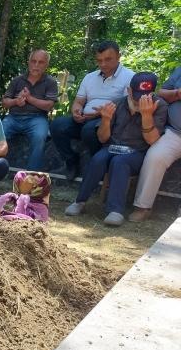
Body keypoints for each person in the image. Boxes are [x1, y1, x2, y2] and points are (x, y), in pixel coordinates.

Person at [64, 72, 168, 227]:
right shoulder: (118, 103)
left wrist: (147, 115)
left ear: (151, 92)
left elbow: (152, 140)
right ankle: (80, 201)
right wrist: (105, 120)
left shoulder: (159, 105)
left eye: (144, 95)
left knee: (120, 162)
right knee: (98, 159)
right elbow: (102, 138)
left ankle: (115, 210)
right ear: (129, 90)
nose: (139, 99)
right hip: (112, 146)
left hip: (137, 152)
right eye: (136, 95)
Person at [50, 40, 135, 179]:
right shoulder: (90, 77)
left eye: (108, 59)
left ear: (119, 57)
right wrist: (76, 111)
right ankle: (71, 161)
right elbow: (78, 101)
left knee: (88, 131)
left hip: (109, 121)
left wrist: (100, 113)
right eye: (99, 60)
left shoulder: (129, 77)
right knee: (57, 125)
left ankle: (98, 165)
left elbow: (127, 107)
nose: (103, 64)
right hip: (85, 118)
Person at [129, 66, 181, 222]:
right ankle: (143, 207)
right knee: (155, 156)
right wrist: (178, 93)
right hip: (175, 132)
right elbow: (162, 93)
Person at [1, 49, 58, 170]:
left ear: (46, 65)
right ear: (29, 62)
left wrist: (29, 98)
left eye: (41, 62)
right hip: (13, 118)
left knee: (39, 137)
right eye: (34, 61)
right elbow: (5, 102)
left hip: (37, 118)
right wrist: (16, 101)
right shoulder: (17, 80)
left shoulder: (50, 82)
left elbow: (49, 105)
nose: (36, 65)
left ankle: (31, 176)